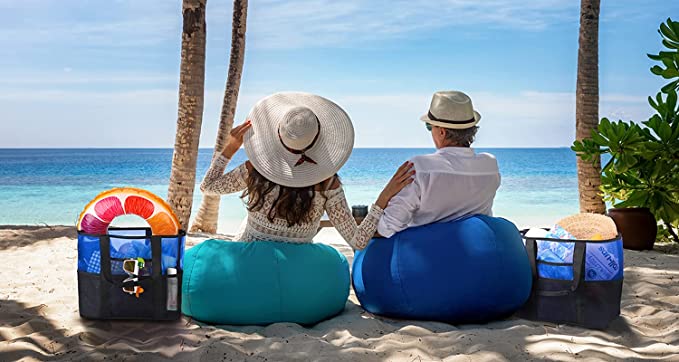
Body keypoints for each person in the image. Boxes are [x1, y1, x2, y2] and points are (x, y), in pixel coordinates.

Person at [200, 92, 414, 250]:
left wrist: (230, 147)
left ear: (278, 135)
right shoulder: (327, 183)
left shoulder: (255, 170)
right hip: (296, 269)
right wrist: (384, 197)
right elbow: (358, 242)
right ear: (319, 138)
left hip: (248, 259)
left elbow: (208, 187)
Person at [376, 90, 501, 238]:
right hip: (476, 249)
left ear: (442, 132)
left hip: (428, 256)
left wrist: (384, 197)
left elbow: (387, 228)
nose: (430, 132)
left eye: (430, 127)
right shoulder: (490, 166)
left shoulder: (419, 168)